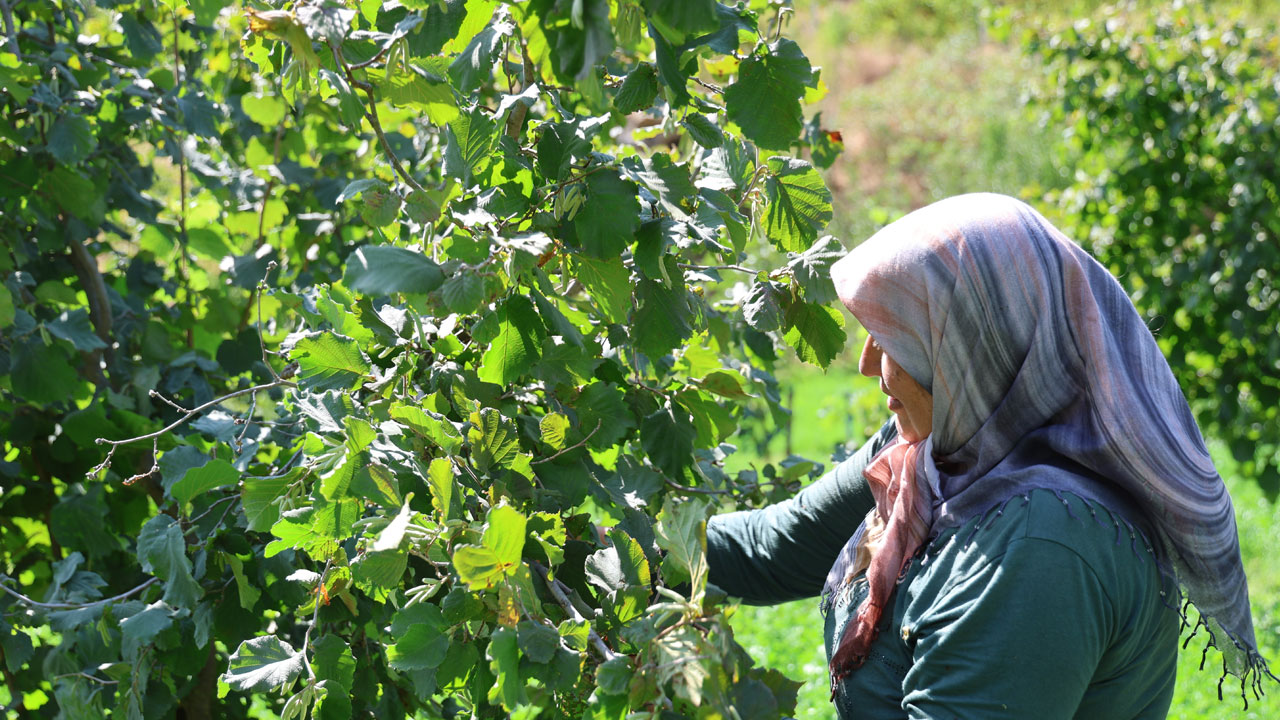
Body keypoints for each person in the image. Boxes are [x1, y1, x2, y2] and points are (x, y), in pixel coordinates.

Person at [706, 193, 1273, 718]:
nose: (866, 361)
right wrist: (627, 554)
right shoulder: (934, 454)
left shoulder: (1044, 547)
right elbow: (769, 550)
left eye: (898, 337)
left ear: (975, 344)